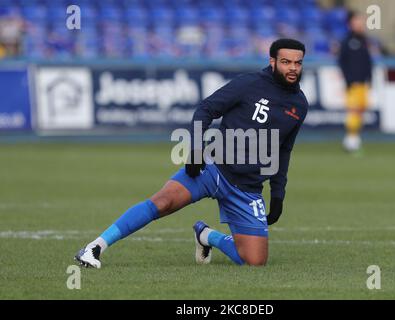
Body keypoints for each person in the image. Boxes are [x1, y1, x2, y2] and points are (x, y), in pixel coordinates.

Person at [75, 38, 308, 267]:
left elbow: (284, 149)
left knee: (255, 261)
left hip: (248, 187)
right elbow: (205, 109)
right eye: (286, 62)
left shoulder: (300, 105)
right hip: (213, 168)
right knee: (162, 202)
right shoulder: (249, 84)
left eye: (297, 63)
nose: (293, 68)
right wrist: (196, 150)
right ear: (273, 61)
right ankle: (95, 247)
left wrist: (278, 194)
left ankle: (207, 236)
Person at [338, 11, 373, 153]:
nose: (360, 23)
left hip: (363, 83)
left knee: (360, 110)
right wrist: (348, 79)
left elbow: (367, 62)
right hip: (353, 83)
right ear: (350, 23)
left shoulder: (364, 40)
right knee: (353, 111)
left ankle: (353, 138)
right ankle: (351, 140)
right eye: (357, 21)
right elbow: (342, 61)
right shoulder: (347, 41)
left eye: (361, 21)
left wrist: (369, 78)